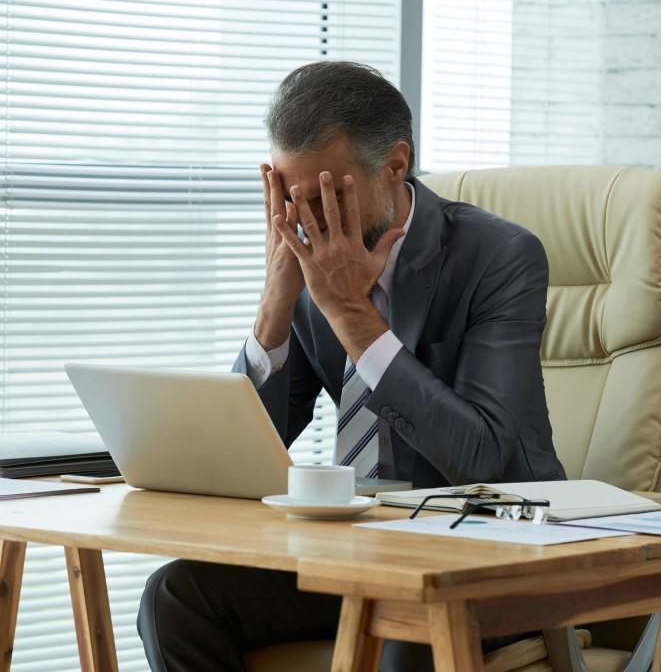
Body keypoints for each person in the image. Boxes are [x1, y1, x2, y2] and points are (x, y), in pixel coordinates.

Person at [138, 61, 565, 671]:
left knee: (401, 622)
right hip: (360, 550)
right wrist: (275, 303)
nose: (306, 220)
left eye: (325, 197)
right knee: (176, 597)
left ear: (394, 165)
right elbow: (246, 451)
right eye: (290, 197)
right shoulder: (310, 270)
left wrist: (351, 313)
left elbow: (479, 457)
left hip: (485, 552)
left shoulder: (500, 256)